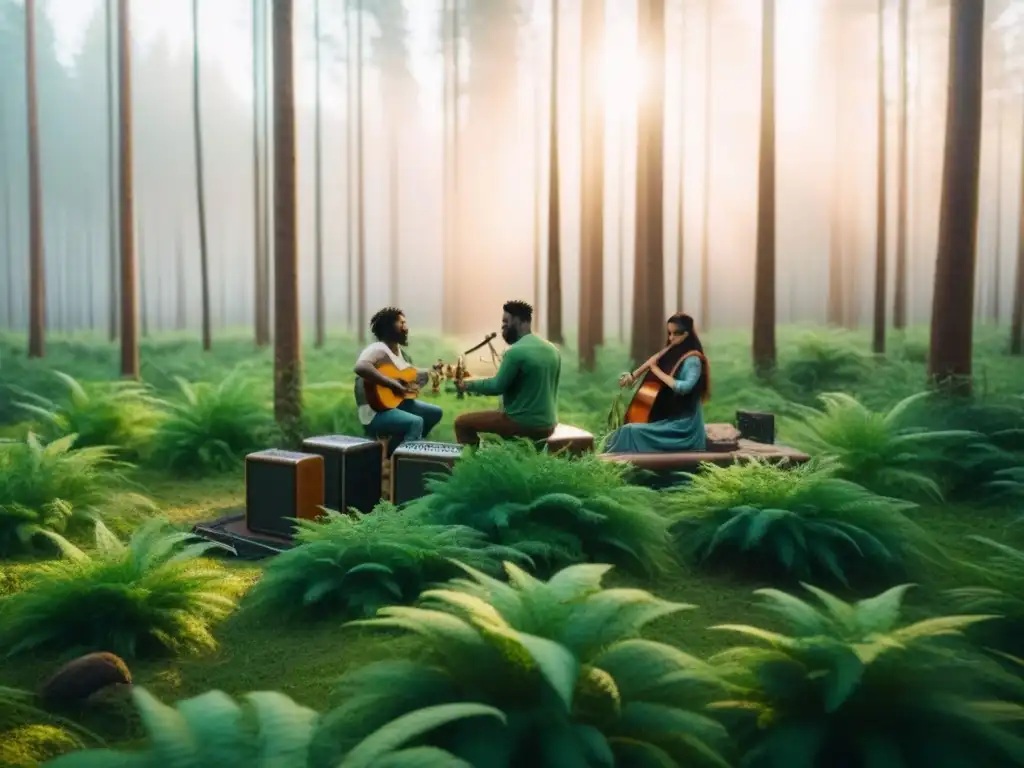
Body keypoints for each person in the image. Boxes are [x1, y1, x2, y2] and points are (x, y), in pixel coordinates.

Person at [454, 300, 561, 446]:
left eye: (506, 321)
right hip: (549, 424)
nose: (502, 326)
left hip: (522, 423)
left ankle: (471, 465)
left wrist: (466, 385)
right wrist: (474, 379)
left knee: (462, 423)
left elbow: (496, 387)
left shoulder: (515, 351)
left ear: (518, 321)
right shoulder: (552, 350)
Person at [603, 313, 710, 454]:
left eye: (676, 334)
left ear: (687, 334)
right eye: (669, 333)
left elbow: (684, 387)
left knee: (629, 431)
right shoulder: (671, 352)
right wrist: (632, 376)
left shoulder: (693, 360)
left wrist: (655, 369)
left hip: (684, 428)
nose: (671, 338)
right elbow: (649, 366)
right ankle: (605, 461)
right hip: (670, 419)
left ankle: (612, 464)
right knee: (625, 430)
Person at [353, 307, 443, 452]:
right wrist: (391, 383)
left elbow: (407, 383)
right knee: (416, 422)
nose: (406, 328)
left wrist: (423, 379)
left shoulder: (402, 355)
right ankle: (406, 462)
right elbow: (361, 367)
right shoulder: (378, 349)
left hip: (397, 404)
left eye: (405, 323)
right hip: (375, 412)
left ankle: (400, 448)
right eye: (401, 324)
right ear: (389, 327)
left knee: (435, 412)